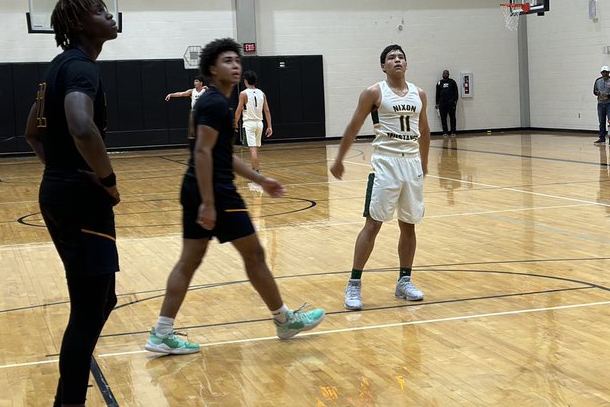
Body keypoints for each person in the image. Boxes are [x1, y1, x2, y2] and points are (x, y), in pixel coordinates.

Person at [145, 39, 324, 354]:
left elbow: (221, 153)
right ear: (212, 69)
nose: (235, 65)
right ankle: (284, 320)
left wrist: (261, 179)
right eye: (227, 61)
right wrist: (210, 202)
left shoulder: (214, 102)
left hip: (198, 187)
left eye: (237, 60)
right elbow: (202, 151)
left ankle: (160, 333)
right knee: (253, 254)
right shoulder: (214, 104)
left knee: (190, 261)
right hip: (216, 192)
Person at [24, 0, 132, 407]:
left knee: (95, 302)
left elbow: (32, 132)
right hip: (81, 196)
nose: (109, 16)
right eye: (100, 11)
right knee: (92, 307)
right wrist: (105, 180)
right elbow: (81, 125)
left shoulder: (56, 66)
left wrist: (60, 172)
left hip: (61, 190)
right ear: (80, 23)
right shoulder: (83, 68)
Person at [330, 44, 430, 311]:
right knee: (373, 224)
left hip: (411, 165)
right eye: (391, 58)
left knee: (409, 225)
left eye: (400, 57)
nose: (397, 60)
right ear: (383, 66)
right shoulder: (374, 92)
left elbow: (424, 129)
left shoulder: (419, 93)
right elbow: (353, 125)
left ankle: (404, 281)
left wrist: (424, 161)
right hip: (385, 165)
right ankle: (354, 283)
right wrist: (339, 158)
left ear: (406, 64)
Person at [234, 70, 272, 172]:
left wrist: (235, 122)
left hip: (249, 124)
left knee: (252, 149)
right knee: (254, 149)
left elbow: (238, 110)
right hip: (260, 123)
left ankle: (257, 172)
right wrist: (269, 126)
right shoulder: (262, 93)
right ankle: (255, 170)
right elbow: (267, 110)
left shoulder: (243, 93)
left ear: (245, 81)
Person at [592, 64, 610, 144]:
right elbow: (594, 91)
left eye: (606, 72)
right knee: (601, 121)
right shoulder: (597, 81)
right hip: (600, 103)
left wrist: (608, 95)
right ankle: (602, 137)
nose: (605, 74)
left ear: (609, 72)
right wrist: (598, 93)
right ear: (601, 73)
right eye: (603, 72)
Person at [435, 69, 459, 136]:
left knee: (452, 118)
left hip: (451, 104)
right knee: (443, 118)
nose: (445, 74)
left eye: (446, 73)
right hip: (442, 104)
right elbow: (437, 94)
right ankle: (445, 132)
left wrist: (455, 101)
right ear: (442, 74)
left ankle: (453, 132)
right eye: (444, 73)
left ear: (448, 75)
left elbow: (456, 93)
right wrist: (437, 103)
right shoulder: (439, 83)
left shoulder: (452, 82)